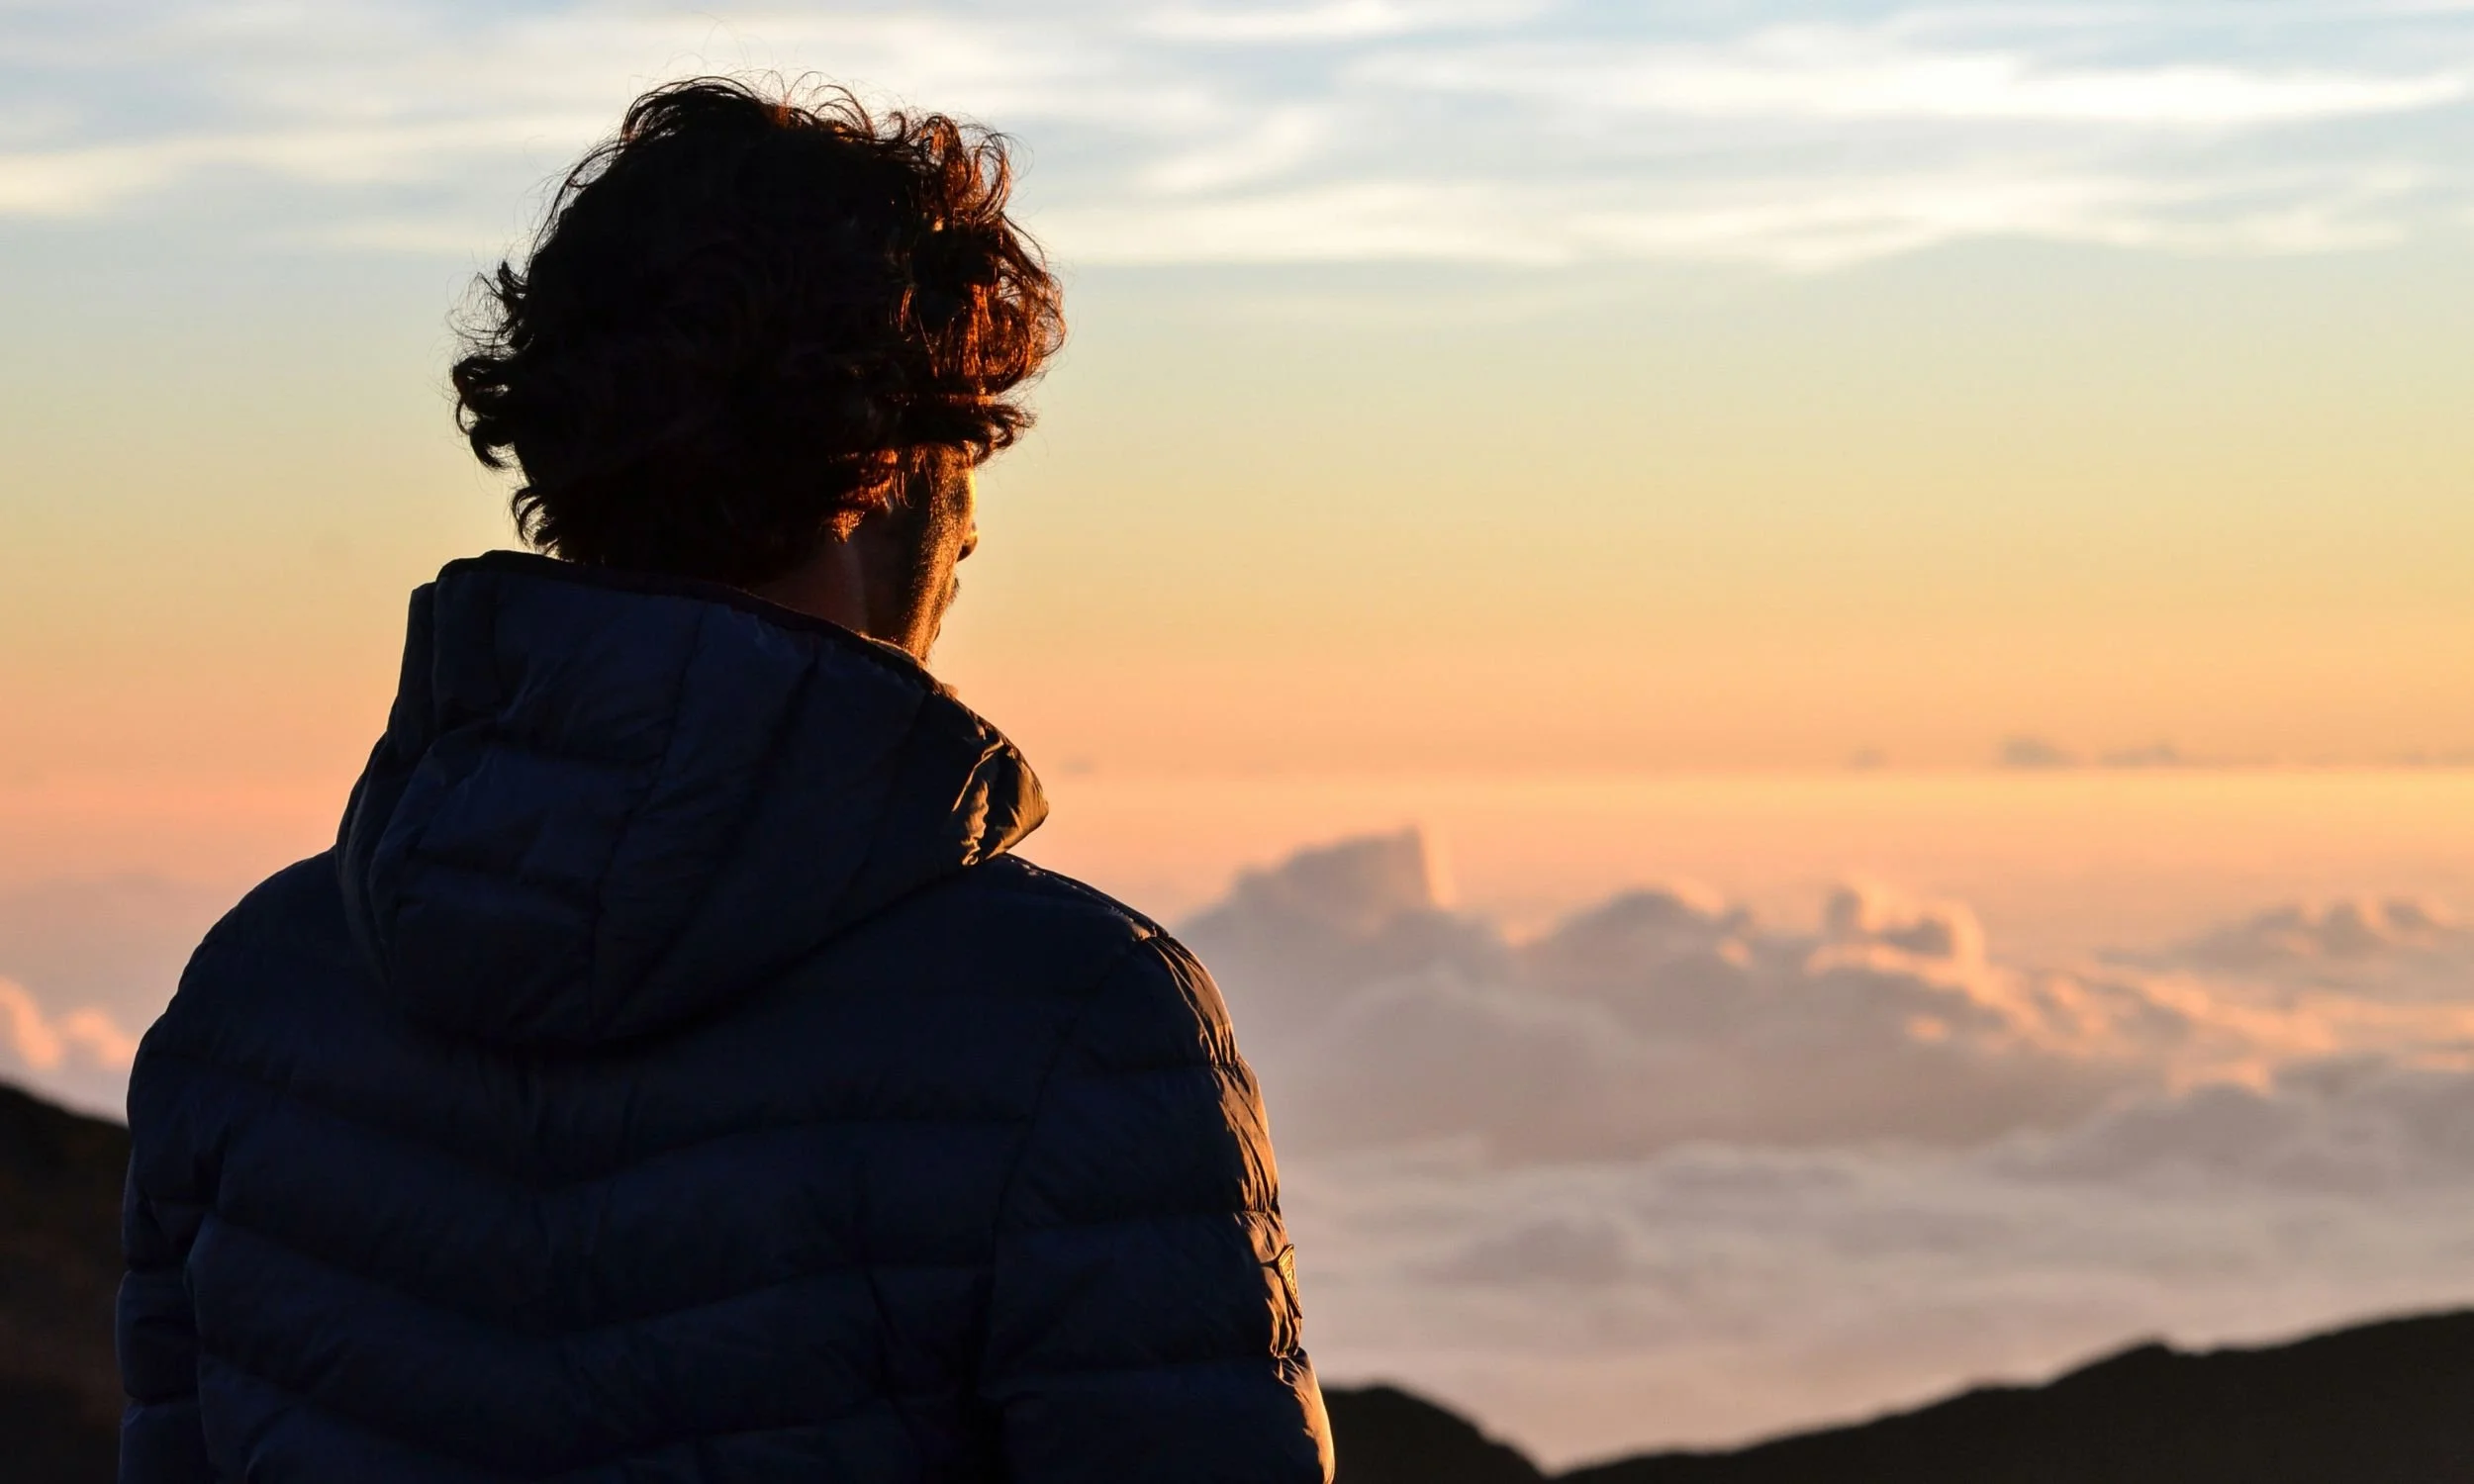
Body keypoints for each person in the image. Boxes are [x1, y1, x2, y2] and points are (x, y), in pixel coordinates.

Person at [115, 77, 1332, 1484]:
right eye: (973, 442)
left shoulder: (256, 999)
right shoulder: (1080, 1023)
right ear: (887, 464)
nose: (979, 528)